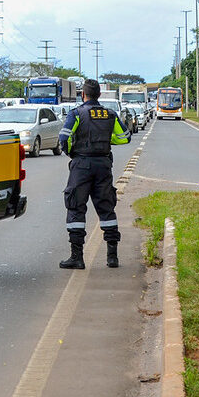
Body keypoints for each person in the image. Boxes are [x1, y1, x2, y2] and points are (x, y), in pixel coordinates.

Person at [57, 80, 131, 269]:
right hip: (103, 164)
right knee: (107, 208)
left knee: (75, 207)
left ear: (83, 94)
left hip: (81, 165)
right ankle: (112, 257)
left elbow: (64, 138)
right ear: (99, 95)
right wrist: (107, 140)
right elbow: (125, 137)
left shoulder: (77, 114)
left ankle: (77, 257)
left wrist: (72, 153)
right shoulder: (110, 114)